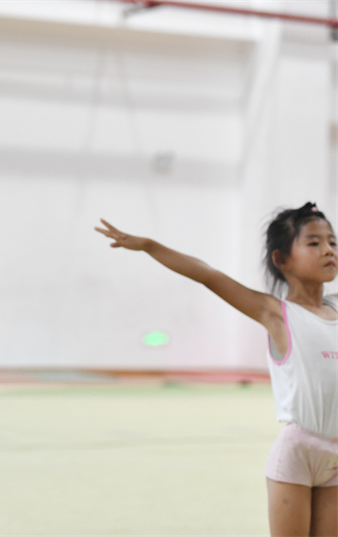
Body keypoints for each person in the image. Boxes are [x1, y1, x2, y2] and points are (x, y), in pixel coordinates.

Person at [95, 202, 337, 537]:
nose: (328, 250)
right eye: (314, 242)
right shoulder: (276, 313)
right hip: (299, 453)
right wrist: (148, 246)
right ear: (281, 259)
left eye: (332, 242)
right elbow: (207, 274)